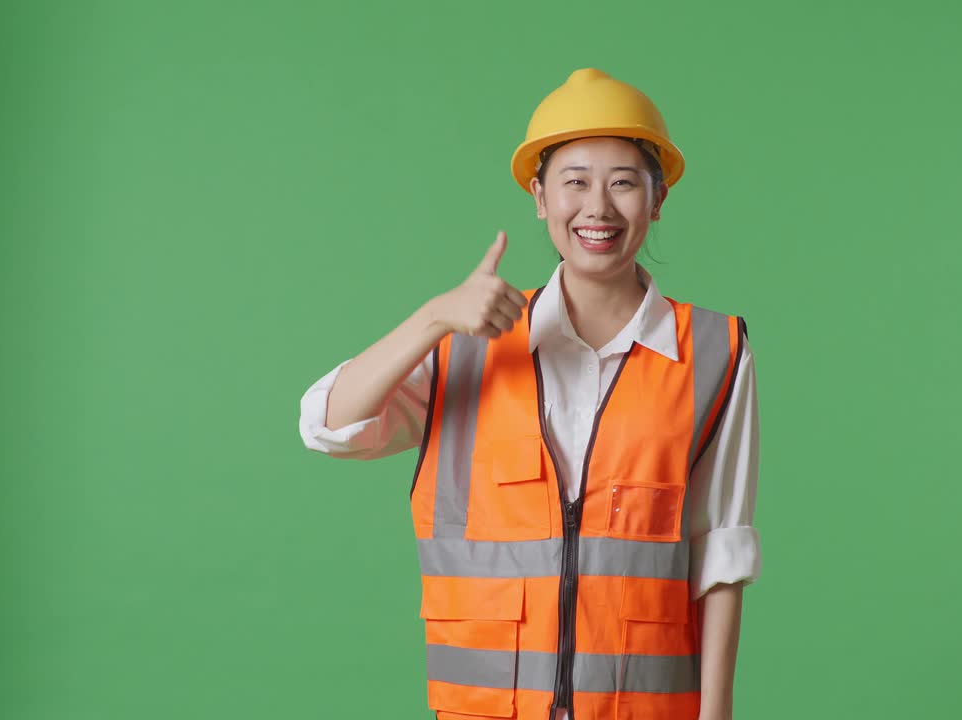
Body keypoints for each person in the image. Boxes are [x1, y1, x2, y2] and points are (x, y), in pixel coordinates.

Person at [299, 68, 761, 720]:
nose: (597, 207)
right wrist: (433, 318)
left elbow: (721, 549)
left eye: (623, 182)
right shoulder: (467, 343)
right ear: (539, 196)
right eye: (574, 181)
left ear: (657, 200)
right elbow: (327, 425)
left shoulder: (714, 351)